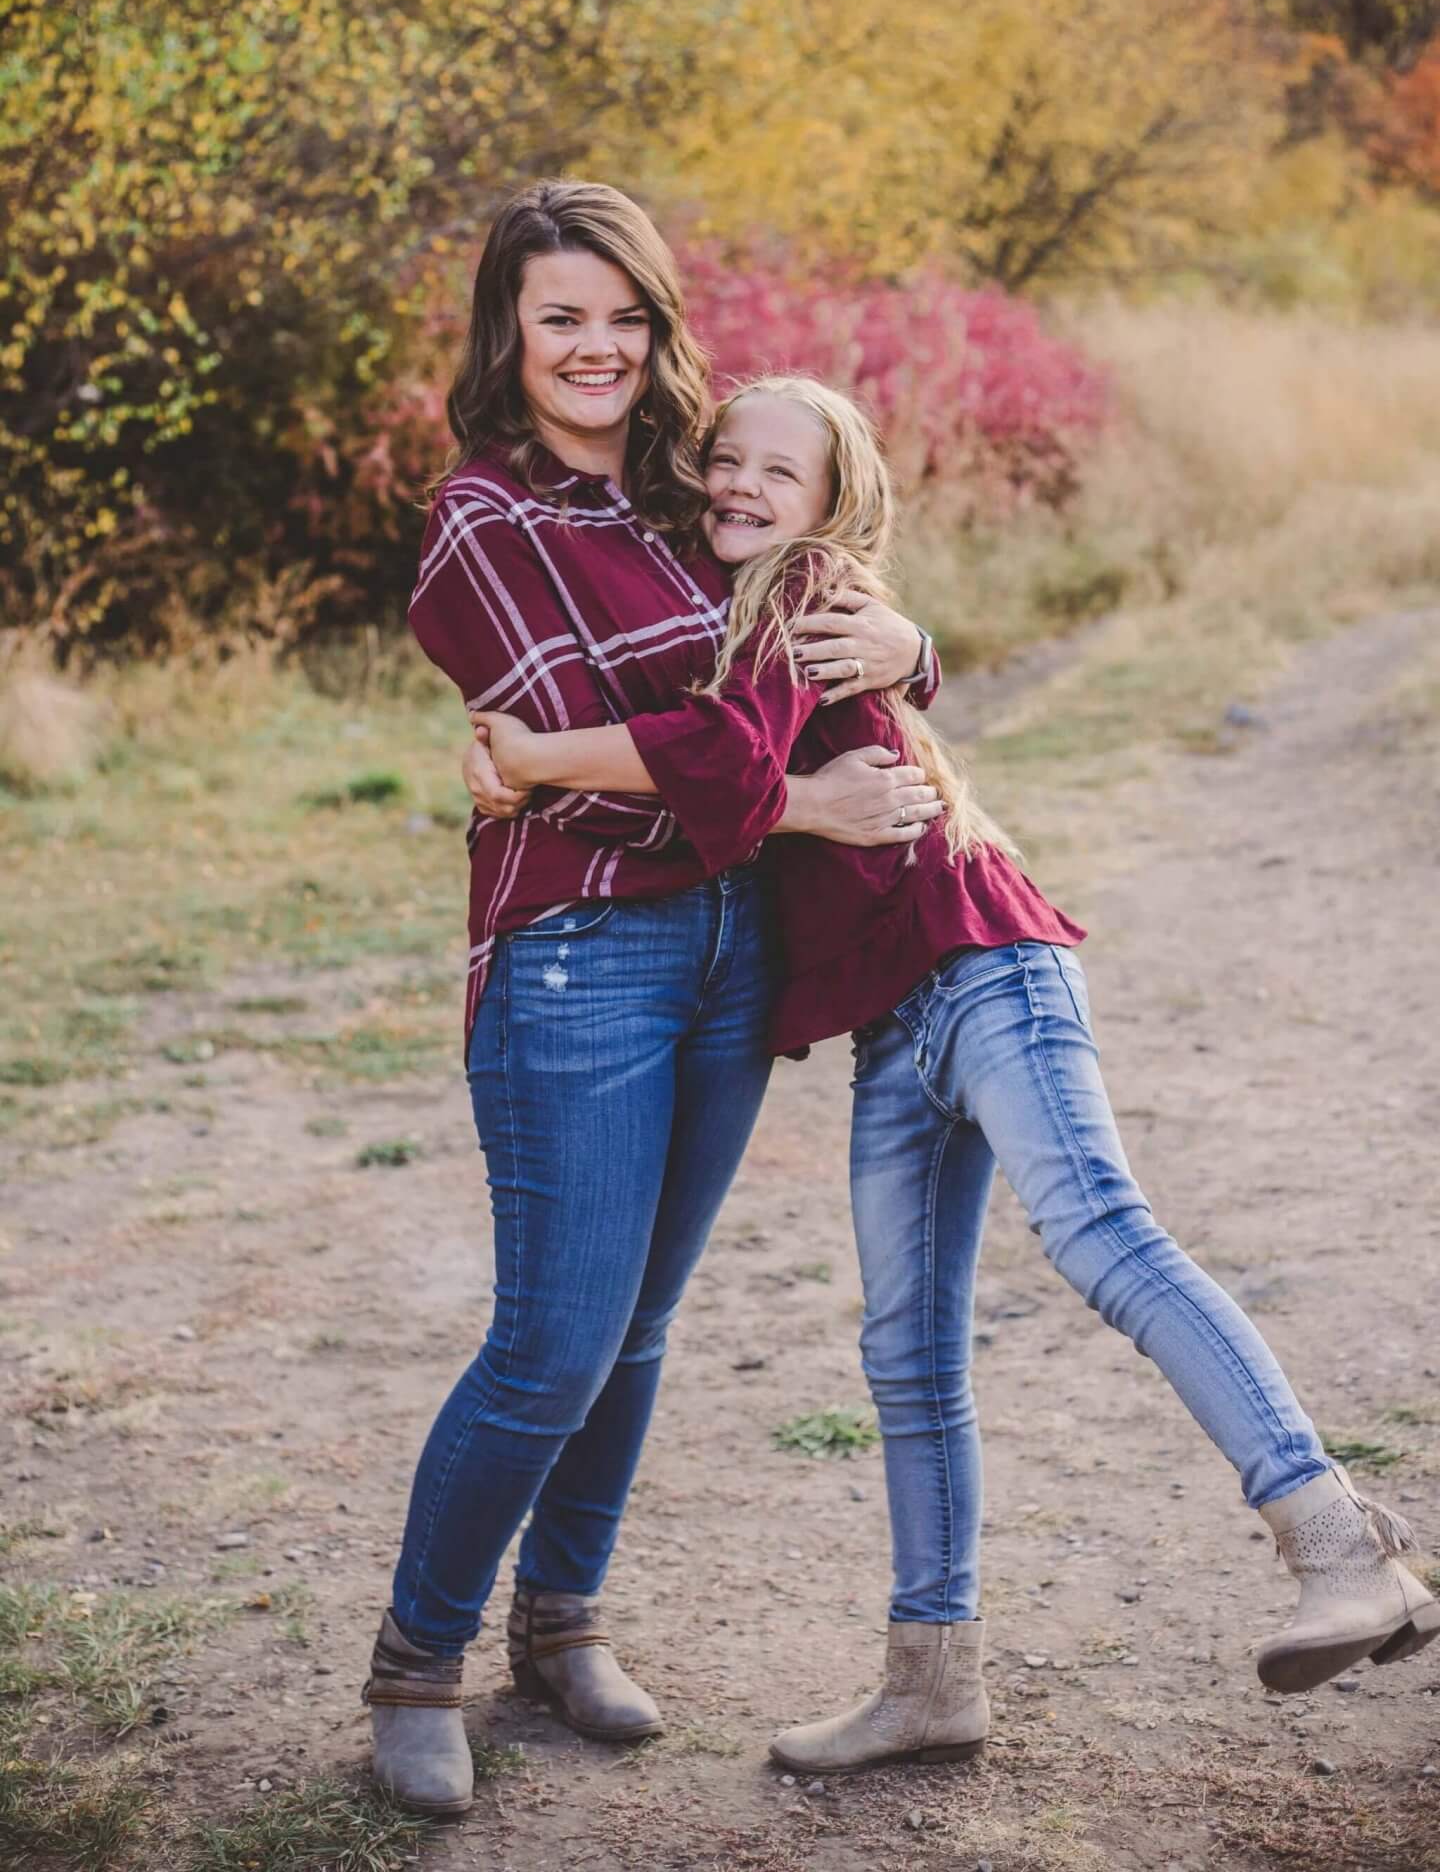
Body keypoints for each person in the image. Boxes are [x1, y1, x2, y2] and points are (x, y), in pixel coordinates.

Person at [469, 373, 1440, 1777]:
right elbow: (756, 742)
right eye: (725, 459)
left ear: (830, 506)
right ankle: (932, 1679)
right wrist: (910, 652)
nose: (740, 483)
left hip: (983, 964)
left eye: (777, 471)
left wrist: (533, 753)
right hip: (892, 1022)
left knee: (1101, 1231)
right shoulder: (745, 594)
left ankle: (1341, 1545)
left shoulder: (802, 591)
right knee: (908, 1357)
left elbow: (722, 760)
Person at [367, 186, 941, 1816]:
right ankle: (416, 1662)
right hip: (579, 953)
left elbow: (832, 641)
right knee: (553, 1339)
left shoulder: (713, 484)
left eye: (622, 314)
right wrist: (793, 792)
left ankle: (563, 1627)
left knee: (640, 1328)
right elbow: (585, 758)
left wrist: (911, 647)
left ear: (657, 322)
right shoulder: (489, 519)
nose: (597, 347)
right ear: (510, 335)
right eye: (561, 318)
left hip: (728, 951)